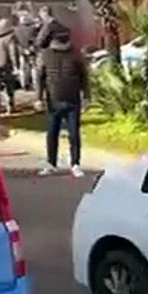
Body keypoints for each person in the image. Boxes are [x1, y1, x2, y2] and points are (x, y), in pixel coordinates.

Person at [36, 15, 90, 177]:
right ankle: (51, 163)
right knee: (53, 133)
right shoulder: (46, 55)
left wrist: (86, 96)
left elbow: (84, 76)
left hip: (71, 100)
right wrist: (38, 98)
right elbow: (40, 77)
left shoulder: (75, 54)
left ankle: (75, 163)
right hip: (54, 100)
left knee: (74, 133)